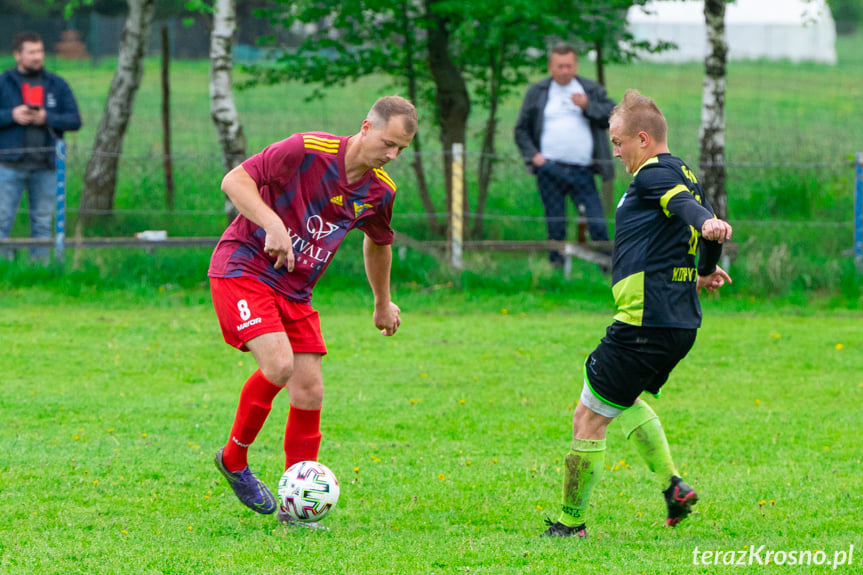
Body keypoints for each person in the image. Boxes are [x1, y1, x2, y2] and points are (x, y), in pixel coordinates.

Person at [208, 95, 417, 529]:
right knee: (280, 365)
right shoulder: (306, 151)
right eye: (388, 143)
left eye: (401, 149)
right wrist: (273, 223)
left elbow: (378, 242)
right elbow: (234, 181)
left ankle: (295, 507)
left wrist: (382, 302)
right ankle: (234, 460)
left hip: (295, 291)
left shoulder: (380, 191)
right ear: (365, 127)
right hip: (244, 268)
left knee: (309, 392)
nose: (392, 155)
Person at [541, 89, 733, 538]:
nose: (615, 151)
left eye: (618, 142)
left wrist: (707, 224)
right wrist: (705, 268)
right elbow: (689, 218)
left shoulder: (652, 175)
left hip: (645, 322)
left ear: (642, 139)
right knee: (618, 399)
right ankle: (673, 488)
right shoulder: (680, 170)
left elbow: (691, 212)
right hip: (676, 322)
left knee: (587, 418)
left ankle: (571, 524)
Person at [514, 44, 614, 267]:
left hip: (583, 170)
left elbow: (613, 116)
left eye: (569, 66)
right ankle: (557, 271)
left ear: (576, 66)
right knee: (556, 224)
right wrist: (533, 156)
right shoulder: (538, 92)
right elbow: (521, 129)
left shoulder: (589, 90)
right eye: (560, 66)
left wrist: (587, 105)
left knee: (597, 223)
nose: (565, 71)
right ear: (551, 67)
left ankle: (610, 271)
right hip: (549, 169)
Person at [0, 31, 81, 261]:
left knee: (43, 224)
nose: (37, 57)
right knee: (2, 221)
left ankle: (41, 271)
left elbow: (75, 120)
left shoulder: (57, 85)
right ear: (18, 55)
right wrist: (11, 115)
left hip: (47, 166)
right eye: (32, 52)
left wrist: (47, 118)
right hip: (8, 165)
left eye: (40, 51)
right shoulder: (4, 83)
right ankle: (4, 272)